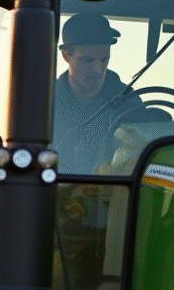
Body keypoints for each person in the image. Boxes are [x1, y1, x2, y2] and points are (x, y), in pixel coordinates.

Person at [52, 12, 142, 173]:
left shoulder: (130, 104)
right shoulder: (44, 101)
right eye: (88, 60)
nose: (97, 70)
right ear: (66, 55)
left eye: (103, 60)